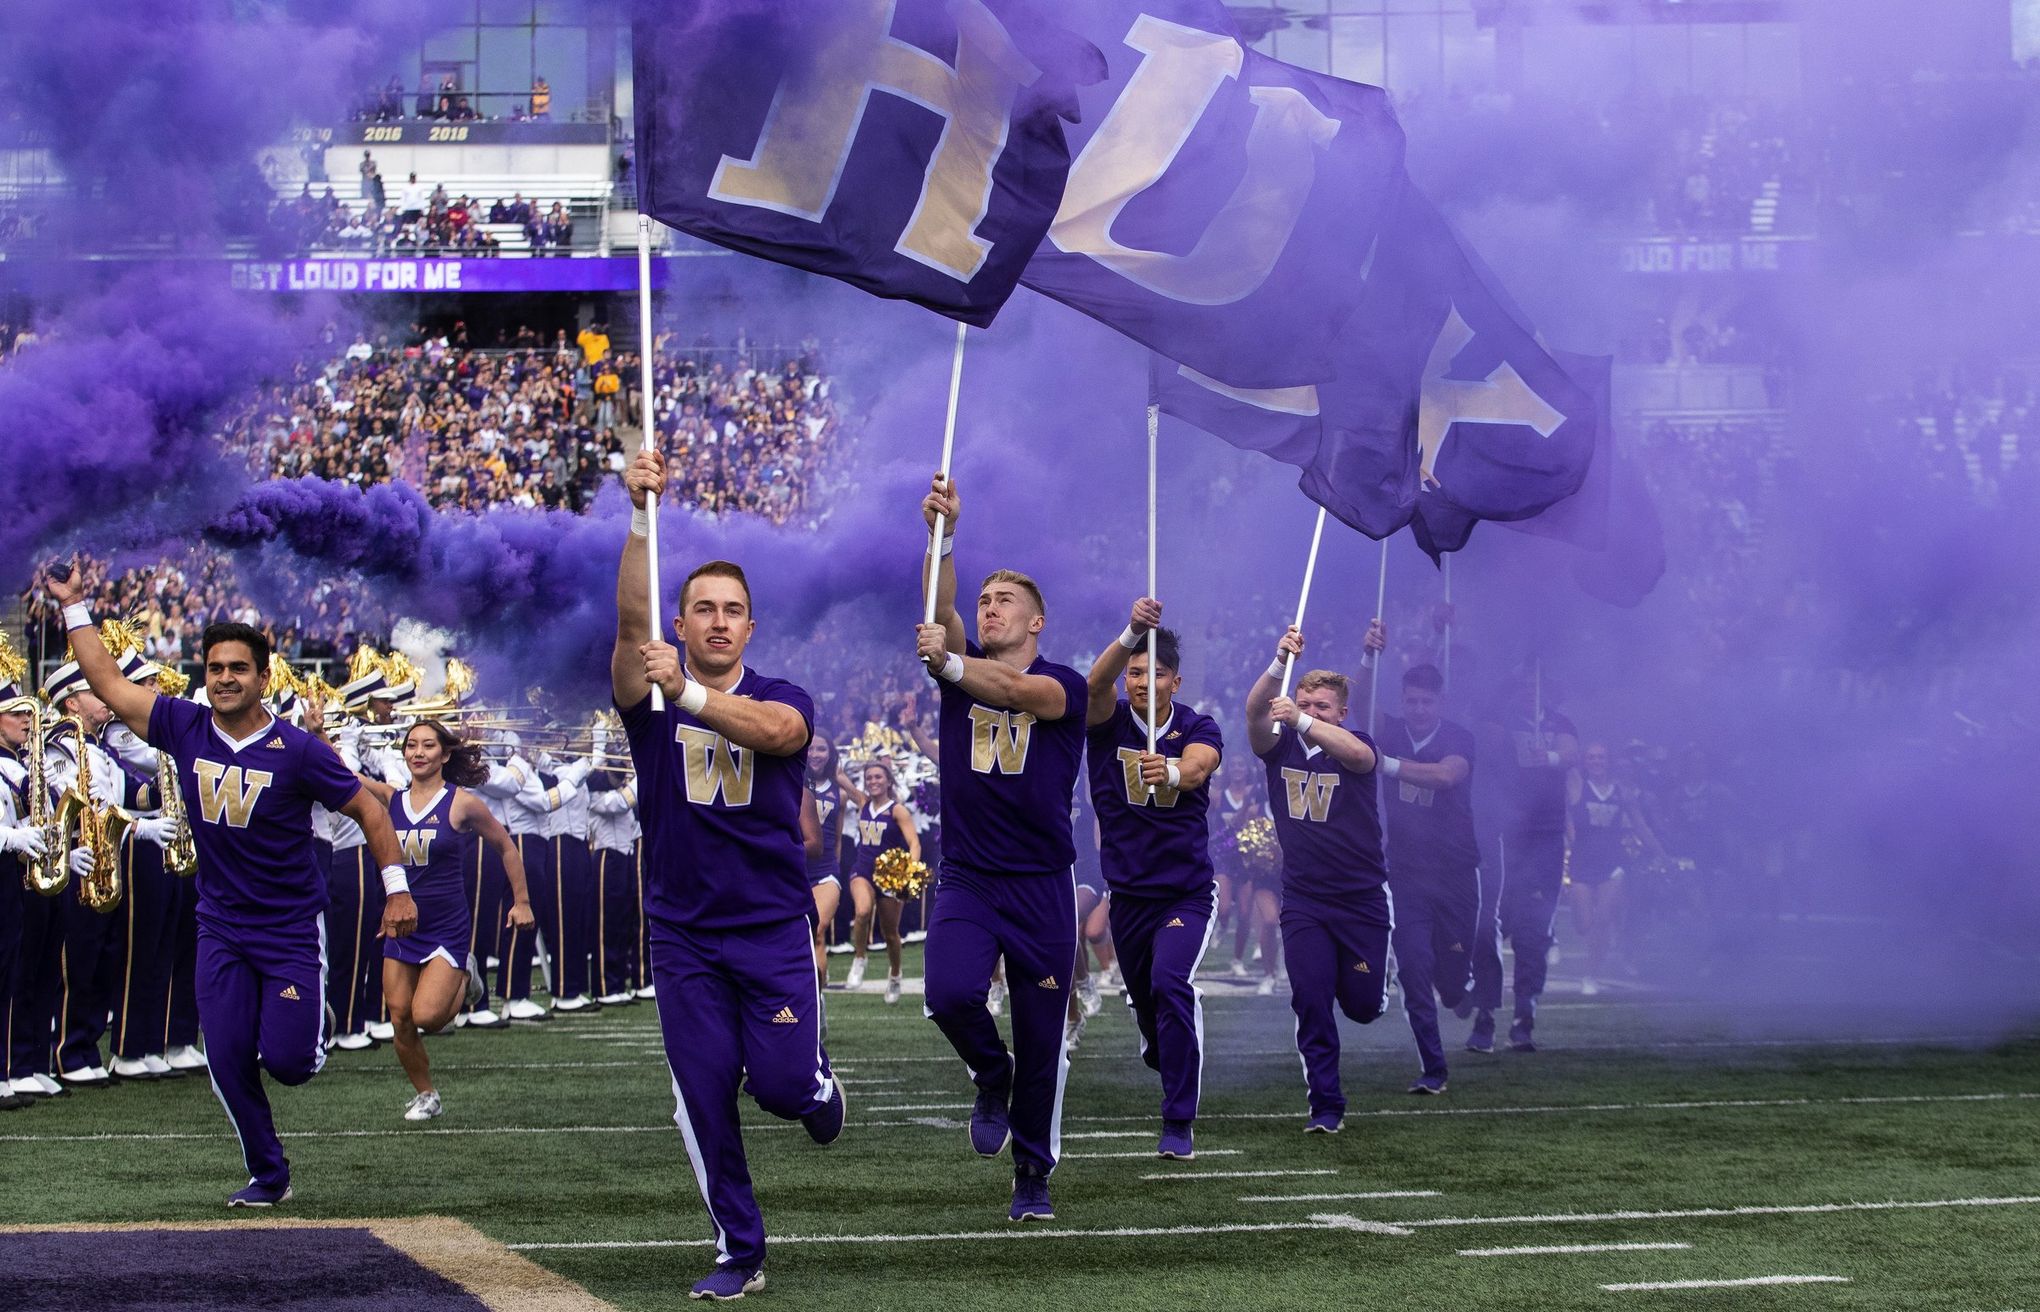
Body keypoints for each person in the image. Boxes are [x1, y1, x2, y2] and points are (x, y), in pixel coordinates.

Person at [45, 567, 408, 1207]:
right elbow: (104, 681)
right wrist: (74, 604)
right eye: (215, 667)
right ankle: (270, 1174)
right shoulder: (183, 725)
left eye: (238, 668)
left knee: (290, 1062)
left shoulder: (298, 750)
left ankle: (306, 1021)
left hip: (290, 926)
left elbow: (371, 812)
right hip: (219, 923)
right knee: (227, 1056)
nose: (225, 678)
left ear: (263, 677)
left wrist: (397, 889)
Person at [614, 449, 843, 1301]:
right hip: (681, 930)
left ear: (751, 628)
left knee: (782, 1090)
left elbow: (779, 735)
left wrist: (694, 698)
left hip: (771, 924)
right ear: (679, 624)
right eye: (702, 609)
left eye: (733, 612)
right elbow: (631, 613)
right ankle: (739, 1249)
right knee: (704, 1093)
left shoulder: (783, 693)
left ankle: (818, 1085)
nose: (717, 622)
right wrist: (641, 517)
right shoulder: (648, 688)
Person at [915, 472, 1088, 1223]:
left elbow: (1019, 696)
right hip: (971, 876)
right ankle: (991, 1071)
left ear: (1037, 622)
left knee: (1045, 1036)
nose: (989, 610)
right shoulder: (961, 673)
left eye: (1004, 601)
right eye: (985, 601)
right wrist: (944, 536)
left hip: (1043, 883)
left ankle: (1032, 1173)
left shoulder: (1064, 684)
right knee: (949, 994)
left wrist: (950, 663)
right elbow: (941, 612)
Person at [327, 715, 532, 1120]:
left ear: (444, 753)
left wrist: (521, 901)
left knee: (429, 1017)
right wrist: (316, 736)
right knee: (400, 1017)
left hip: (445, 925)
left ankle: (466, 973)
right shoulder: (391, 799)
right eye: (411, 745)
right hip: (400, 925)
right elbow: (342, 774)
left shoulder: (461, 803)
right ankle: (427, 1095)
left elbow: (505, 846)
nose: (418, 753)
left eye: (427, 746)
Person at [1082, 601, 1223, 1159]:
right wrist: (1130, 633)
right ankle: (1158, 1038)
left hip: (1185, 890)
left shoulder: (1197, 724)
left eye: (1154, 672)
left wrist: (1170, 770)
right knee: (1147, 1003)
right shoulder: (1107, 719)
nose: (1142, 681)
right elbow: (1094, 686)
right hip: (1128, 894)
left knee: (1171, 984)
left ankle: (1178, 1120)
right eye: (1135, 671)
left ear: (1174, 680)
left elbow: (1199, 766)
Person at [1245, 626, 1388, 1134]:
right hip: (1305, 897)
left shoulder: (1355, 741)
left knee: (1364, 1006)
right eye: (1304, 702)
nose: (1311, 711)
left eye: (1323, 707)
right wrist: (1277, 665)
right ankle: (1326, 1105)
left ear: (1341, 713)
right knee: (1309, 996)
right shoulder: (1279, 747)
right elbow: (1254, 713)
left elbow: (1357, 757)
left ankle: (1374, 988)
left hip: (1362, 898)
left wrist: (1304, 719)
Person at [1376, 659, 1480, 1096]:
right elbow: (1358, 701)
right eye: (1411, 701)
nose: (1418, 709)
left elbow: (1445, 775)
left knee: (1452, 975)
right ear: (1402, 701)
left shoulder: (1458, 737)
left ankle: (1460, 988)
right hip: (1406, 873)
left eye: (1426, 701)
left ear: (1441, 702)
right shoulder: (1390, 730)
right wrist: (1368, 653)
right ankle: (1433, 1067)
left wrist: (1385, 764)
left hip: (1455, 871)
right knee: (1414, 968)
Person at [1470, 673, 1578, 1054]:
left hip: (1545, 840)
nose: (1530, 690)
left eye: (1537, 682)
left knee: (1534, 933)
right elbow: (1486, 740)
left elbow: (1570, 751)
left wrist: (1547, 756)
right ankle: (1484, 1012)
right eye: (1523, 682)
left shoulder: (1559, 723)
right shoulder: (1501, 720)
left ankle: (1524, 1017)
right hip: (1503, 837)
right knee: (1489, 927)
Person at [1566, 742, 1661, 996]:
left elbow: (1640, 826)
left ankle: (1591, 975)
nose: (1596, 762)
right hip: (1582, 862)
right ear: (1585, 762)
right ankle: (1594, 956)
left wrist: (1660, 853)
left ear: (1609, 761)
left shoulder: (1622, 791)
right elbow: (1565, 763)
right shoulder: (1578, 786)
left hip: (1612, 863)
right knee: (1584, 925)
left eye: (1601, 757)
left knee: (1603, 920)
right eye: (1591, 757)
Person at [840, 760, 918, 1005]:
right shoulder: (862, 802)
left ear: (889, 781)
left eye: (878, 777)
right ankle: (859, 959)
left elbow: (914, 843)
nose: (873, 781)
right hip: (862, 870)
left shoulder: (897, 810)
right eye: (869, 777)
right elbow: (839, 774)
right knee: (862, 911)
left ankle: (895, 975)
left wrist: (907, 873)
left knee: (891, 933)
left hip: (890, 876)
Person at [803, 733, 844, 989]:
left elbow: (838, 838)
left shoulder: (839, 789)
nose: (815, 754)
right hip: (793, 869)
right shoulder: (790, 782)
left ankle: (818, 1001)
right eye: (811, 749)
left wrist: (836, 871)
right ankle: (808, 992)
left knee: (818, 930)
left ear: (830, 754)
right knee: (798, 935)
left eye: (821, 749)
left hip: (826, 870)